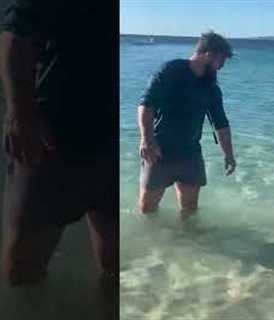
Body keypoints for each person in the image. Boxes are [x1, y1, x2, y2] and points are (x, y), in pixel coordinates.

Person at [0, 0, 118, 287]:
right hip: (54, 136)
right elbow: (17, 32)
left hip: (114, 143)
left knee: (116, 270)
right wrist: (20, 114)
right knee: (22, 272)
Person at [138, 31, 236, 221]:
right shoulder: (171, 71)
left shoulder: (211, 86)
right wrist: (147, 140)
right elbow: (146, 105)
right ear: (208, 54)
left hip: (191, 154)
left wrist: (229, 154)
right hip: (159, 151)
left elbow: (221, 123)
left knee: (190, 211)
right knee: (147, 210)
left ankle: (186, 245)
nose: (221, 67)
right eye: (220, 61)